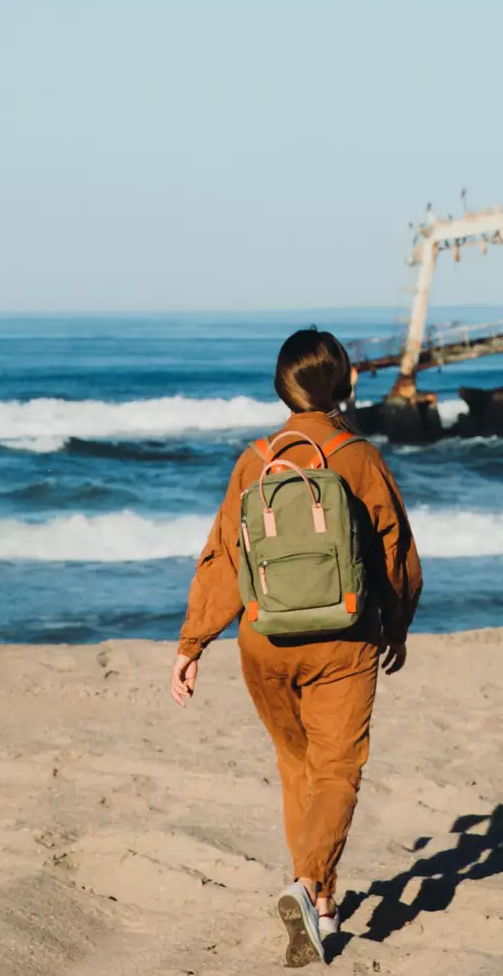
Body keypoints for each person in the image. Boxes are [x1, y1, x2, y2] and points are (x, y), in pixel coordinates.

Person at [169, 328, 422, 967]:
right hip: (342, 637)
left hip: (264, 638)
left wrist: (192, 643)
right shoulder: (358, 456)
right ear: (345, 384)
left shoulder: (255, 460)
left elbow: (224, 556)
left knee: (297, 768)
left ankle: (326, 911)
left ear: (281, 387)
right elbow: (396, 552)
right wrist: (396, 624)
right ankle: (308, 886)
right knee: (337, 771)